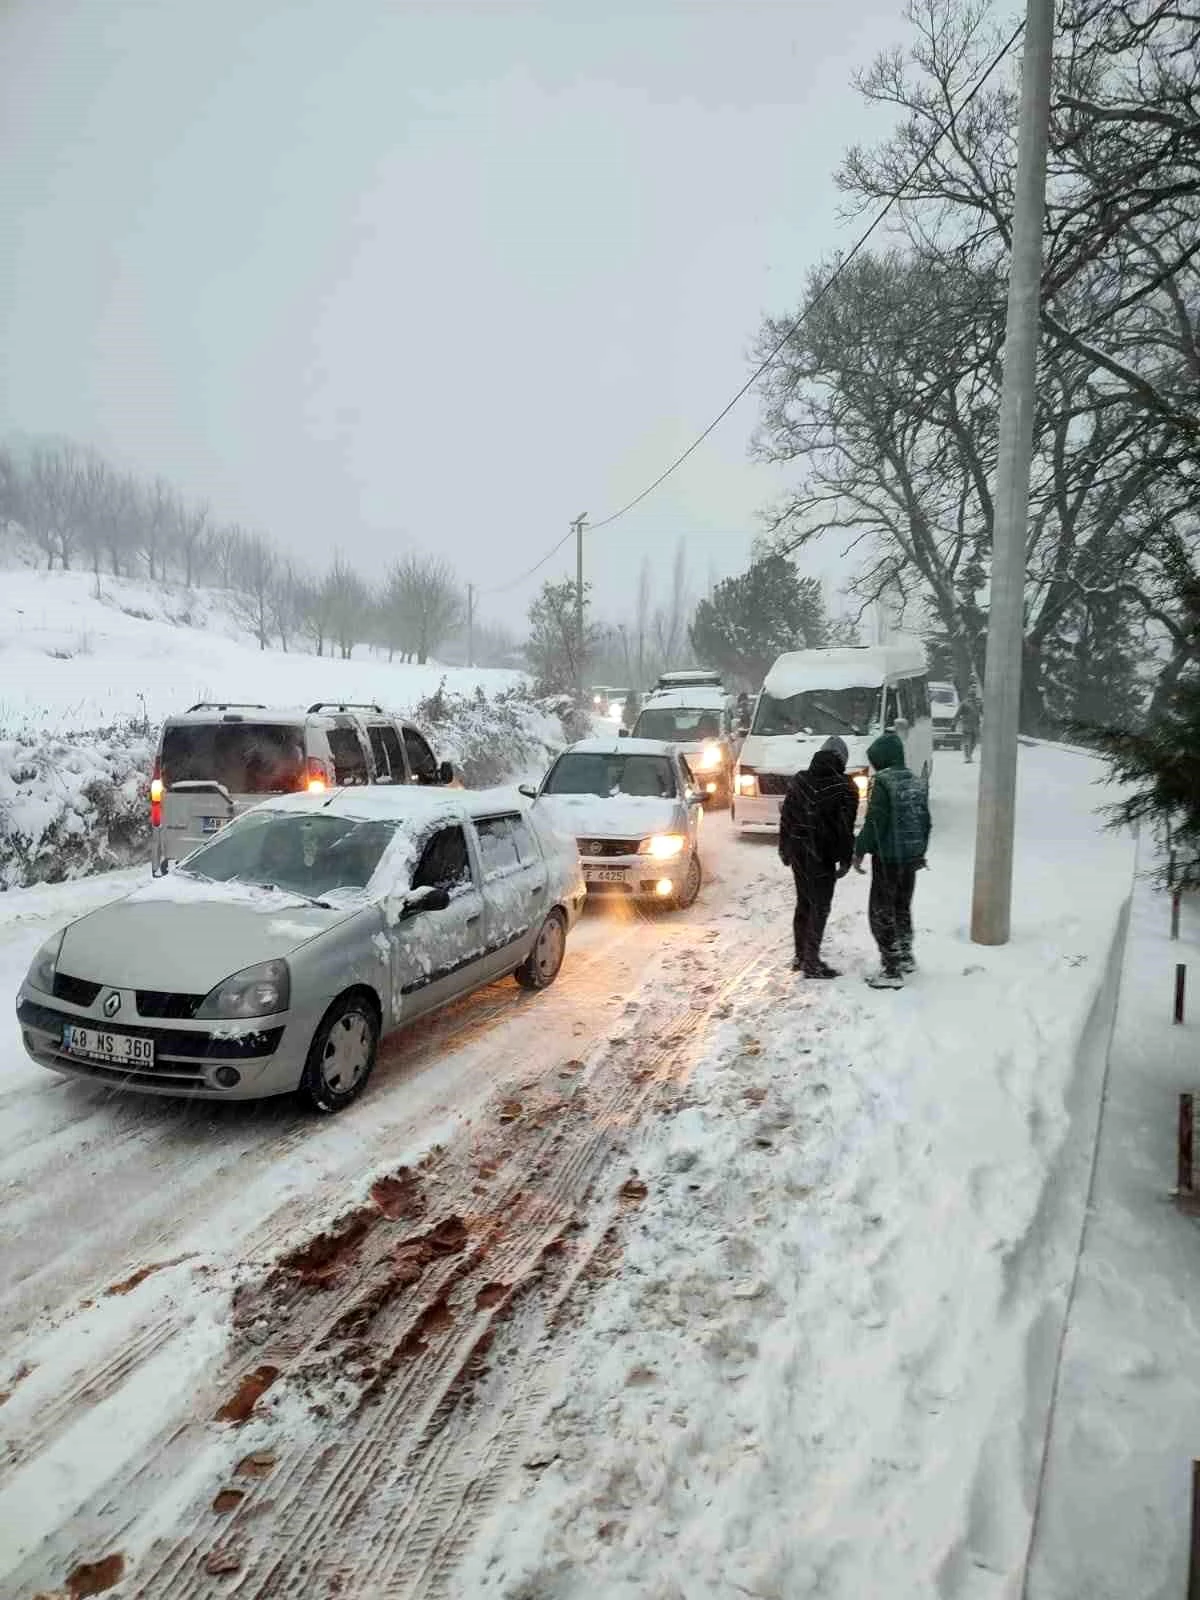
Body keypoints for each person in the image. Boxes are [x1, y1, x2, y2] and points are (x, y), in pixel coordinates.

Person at [853, 731, 932, 989]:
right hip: (910, 857)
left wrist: (860, 849)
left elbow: (875, 821)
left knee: (880, 910)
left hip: (888, 857)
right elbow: (925, 821)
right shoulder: (916, 781)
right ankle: (906, 956)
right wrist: (919, 852)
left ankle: (891, 968)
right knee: (902, 907)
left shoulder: (882, 782)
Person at [778, 735, 858, 978]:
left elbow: (786, 818)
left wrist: (785, 848)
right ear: (842, 760)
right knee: (820, 906)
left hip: (800, 851)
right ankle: (811, 962)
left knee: (804, 902)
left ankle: (800, 956)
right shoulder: (845, 787)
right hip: (823, 854)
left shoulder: (800, 780)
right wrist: (845, 858)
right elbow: (845, 827)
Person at [956, 696, 980, 762]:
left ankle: (969, 755)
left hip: (976, 726)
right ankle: (967, 757)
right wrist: (954, 723)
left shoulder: (978, 703)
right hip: (967, 725)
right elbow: (958, 714)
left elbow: (982, 712)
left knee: (974, 743)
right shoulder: (964, 703)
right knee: (967, 742)